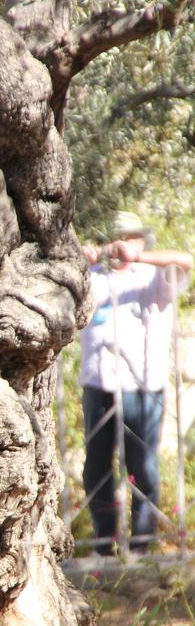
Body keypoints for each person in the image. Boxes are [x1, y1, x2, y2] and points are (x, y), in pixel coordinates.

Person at [79, 211, 193, 555]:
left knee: (141, 468)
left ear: (141, 241)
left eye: (128, 238)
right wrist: (81, 258)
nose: (120, 245)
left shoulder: (154, 277)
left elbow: (187, 260)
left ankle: (141, 548)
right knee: (96, 468)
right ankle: (103, 543)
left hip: (141, 386)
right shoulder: (93, 277)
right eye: (116, 238)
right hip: (98, 383)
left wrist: (137, 257)